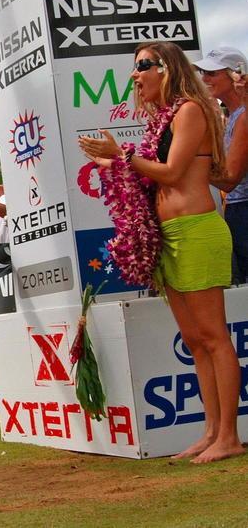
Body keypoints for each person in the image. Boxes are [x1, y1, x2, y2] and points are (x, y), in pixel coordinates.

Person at [80, 41, 243, 463]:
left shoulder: (189, 109)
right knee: (193, 339)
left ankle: (229, 435)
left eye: (143, 66)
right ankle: (211, 431)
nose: (136, 75)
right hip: (171, 233)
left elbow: (171, 172)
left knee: (213, 336)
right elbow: (155, 177)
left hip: (196, 230)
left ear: (167, 69)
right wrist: (114, 165)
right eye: (135, 68)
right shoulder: (163, 118)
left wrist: (122, 155)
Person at [195, 47, 248, 284]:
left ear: (236, 74)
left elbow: (229, 177)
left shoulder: (245, 115)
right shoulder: (233, 115)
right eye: (203, 72)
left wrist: (186, 163)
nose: (205, 79)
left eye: (212, 73)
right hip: (235, 209)